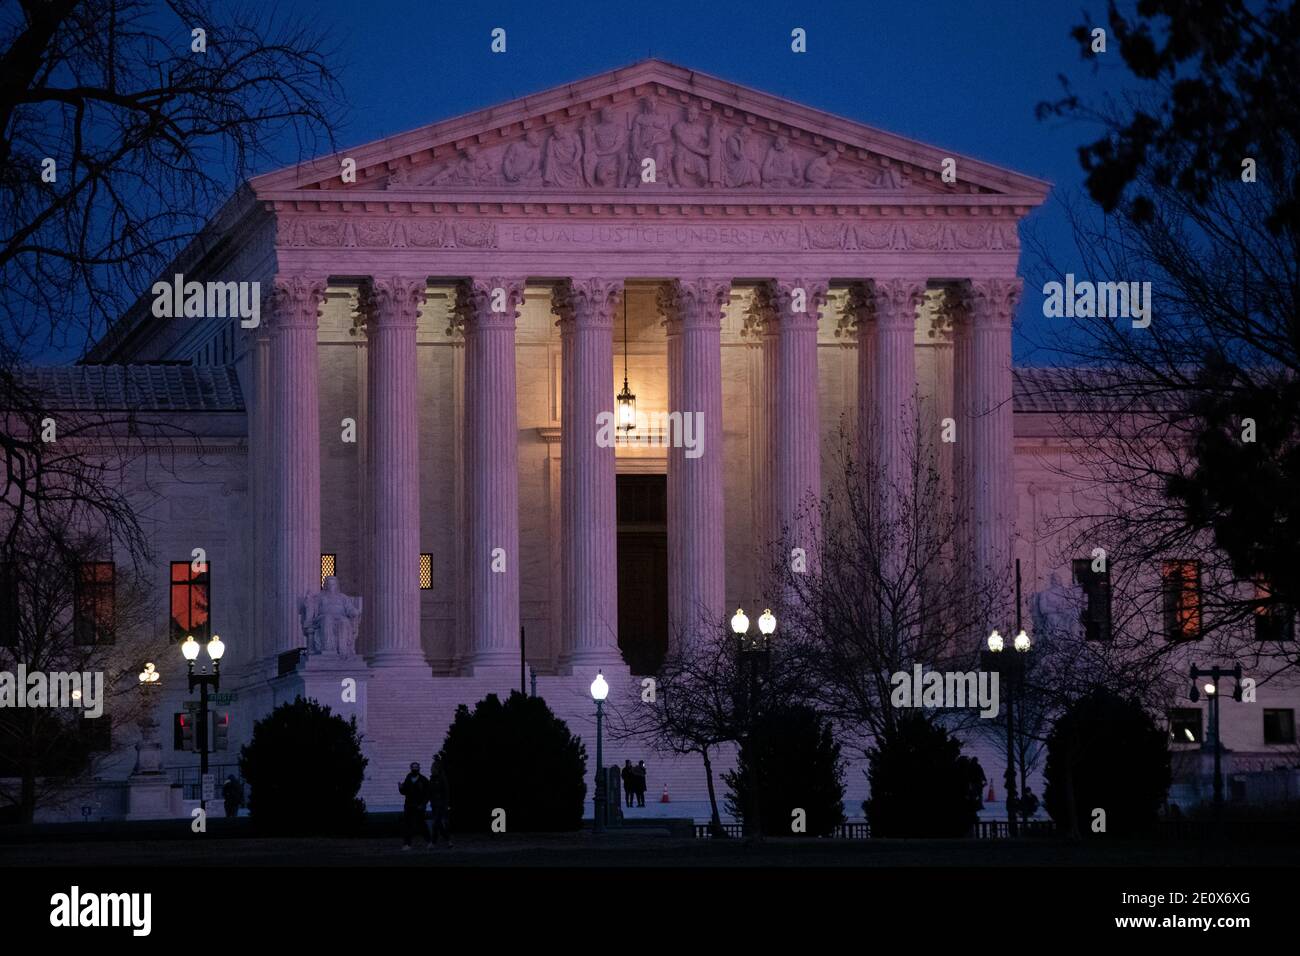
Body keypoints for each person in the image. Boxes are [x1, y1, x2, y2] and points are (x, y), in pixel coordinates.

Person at [398, 761, 431, 850]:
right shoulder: (408, 778)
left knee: (421, 824)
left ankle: (429, 841)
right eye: (413, 767)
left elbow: (427, 794)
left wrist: (423, 804)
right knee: (407, 825)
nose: (415, 769)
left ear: (419, 769)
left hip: (419, 806)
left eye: (416, 767)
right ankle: (407, 844)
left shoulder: (424, 780)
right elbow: (405, 791)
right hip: (409, 805)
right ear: (411, 768)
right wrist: (400, 788)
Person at [428, 754, 452, 847]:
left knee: (436, 823)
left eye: (433, 768)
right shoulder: (432, 779)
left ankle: (433, 842)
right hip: (435, 804)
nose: (431, 769)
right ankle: (448, 840)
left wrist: (445, 804)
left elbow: (446, 792)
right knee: (438, 824)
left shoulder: (441, 778)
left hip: (441, 804)